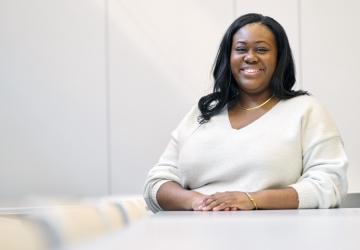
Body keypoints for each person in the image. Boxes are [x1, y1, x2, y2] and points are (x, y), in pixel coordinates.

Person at [143, 13, 348, 213]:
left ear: (279, 58)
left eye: (261, 49)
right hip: (195, 234)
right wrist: (197, 201)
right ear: (229, 57)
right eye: (240, 49)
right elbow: (156, 184)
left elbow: (330, 184)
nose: (250, 57)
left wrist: (253, 199)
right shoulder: (203, 112)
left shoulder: (306, 110)